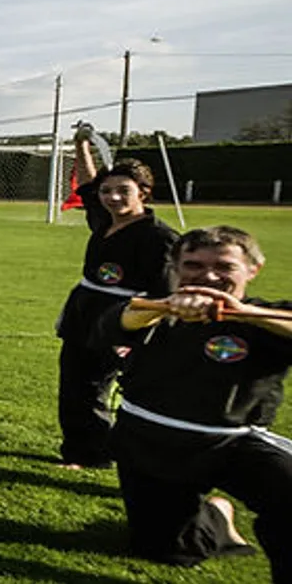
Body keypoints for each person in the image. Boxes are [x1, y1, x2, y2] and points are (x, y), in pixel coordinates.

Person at [103, 226, 291, 577]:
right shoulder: (153, 312)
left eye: (224, 266)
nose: (208, 276)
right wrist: (166, 306)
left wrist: (240, 313)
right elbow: (113, 324)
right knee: (170, 550)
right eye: (193, 265)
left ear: (253, 269)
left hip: (233, 444)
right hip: (150, 443)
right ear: (174, 267)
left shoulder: (269, 318)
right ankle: (217, 516)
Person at [55, 127, 179, 469]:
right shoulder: (104, 220)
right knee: (73, 386)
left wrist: (134, 335)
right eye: (108, 192)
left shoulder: (158, 238)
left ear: (144, 193)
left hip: (121, 322)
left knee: (96, 389)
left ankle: (94, 455)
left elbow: (165, 293)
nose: (113, 198)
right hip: (83, 317)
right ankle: (77, 449)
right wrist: (81, 145)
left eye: (123, 191)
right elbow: (88, 183)